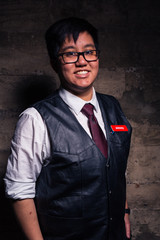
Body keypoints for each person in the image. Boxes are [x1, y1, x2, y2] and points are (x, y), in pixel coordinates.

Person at [4, 17, 132, 240]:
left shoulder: (113, 106)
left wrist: (125, 215)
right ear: (55, 62)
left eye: (89, 51)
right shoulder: (35, 118)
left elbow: (115, 171)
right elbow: (19, 192)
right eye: (70, 53)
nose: (82, 61)